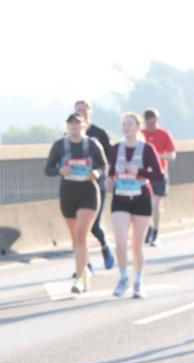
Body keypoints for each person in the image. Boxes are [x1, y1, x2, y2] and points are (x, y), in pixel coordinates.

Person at [44, 113, 108, 293]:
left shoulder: (92, 145)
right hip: (68, 193)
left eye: (78, 123)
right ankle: (84, 269)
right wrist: (59, 170)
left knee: (81, 235)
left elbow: (104, 166)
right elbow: (47, 169)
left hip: (88, 192)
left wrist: (96, 173)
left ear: (84, 126)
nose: (74, 127)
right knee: (76, 239)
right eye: (71, 124)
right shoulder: (60, 146)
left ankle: (79, 278)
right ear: (67, 127)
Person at [107, 112, 164, 299]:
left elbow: (158, 175)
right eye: (123, 124)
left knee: (137, 245)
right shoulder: (115, 149)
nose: (126, 127)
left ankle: (138, 280)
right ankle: (123, 277)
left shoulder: (147, 149)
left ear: (138, 127)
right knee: (121, 240)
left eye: (130, 124)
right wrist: (109, 180)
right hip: (120, 198)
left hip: (141, 198)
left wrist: (139, 172)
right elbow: (109, 172)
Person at [74, 100, 116, 271]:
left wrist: (105, 176)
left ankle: (105, 246)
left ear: (90, 112)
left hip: (96, 186)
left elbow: (109, 160)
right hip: (76, 188)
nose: (81, 113)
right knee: (78, 228)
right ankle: (85, 265)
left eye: (84, 110)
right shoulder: (70, 136)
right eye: (78, 110)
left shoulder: (100, 134)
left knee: (93, 225)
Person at [141, 108, 177, 247]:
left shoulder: (164, 134)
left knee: (155, 205)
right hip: (144, 175)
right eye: (149, 123)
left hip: (159, 175)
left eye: (154, 122)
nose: (151, 125)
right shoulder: (141, 134)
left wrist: (157, 157)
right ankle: (148, 229)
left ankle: (155, 232)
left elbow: (172, 155)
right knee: (146, 206)